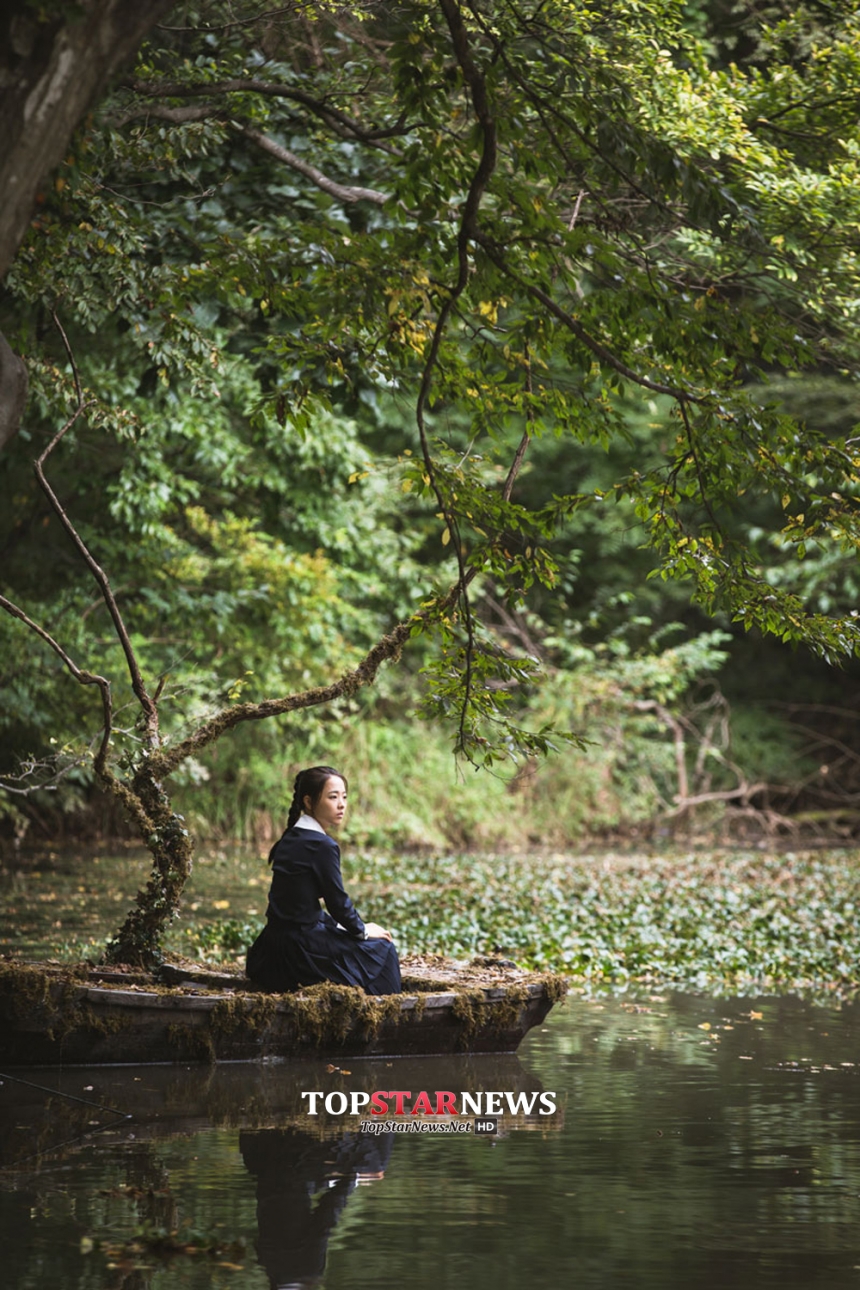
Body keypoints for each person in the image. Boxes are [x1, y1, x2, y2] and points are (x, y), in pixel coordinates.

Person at [246, 765, 401, 995]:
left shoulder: (290, 837)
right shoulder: (323, 845)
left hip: (272, 949)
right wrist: (363, 931)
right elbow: (337, 903)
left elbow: (298, 907)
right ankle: (385, 1019)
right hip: (300, 952)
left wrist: (344, 928)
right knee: (384, 948)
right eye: (333, 797)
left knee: (359, 944)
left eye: (344, 797)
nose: (341, 804)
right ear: (308, 802)